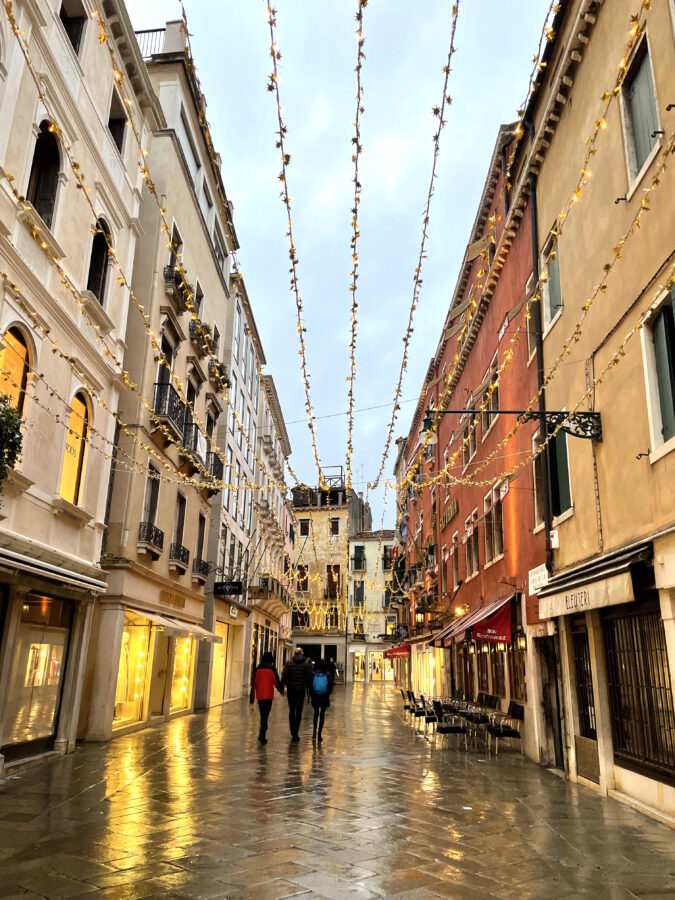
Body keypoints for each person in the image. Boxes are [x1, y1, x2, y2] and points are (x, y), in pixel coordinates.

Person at [249, 651, 283, 744]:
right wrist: (281, 691)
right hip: (268, 696)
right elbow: (276, 682)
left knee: (263, 714)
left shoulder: (257, 669)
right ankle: (262, 734)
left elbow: (254, 684)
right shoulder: (272, 669)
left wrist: (252, 699)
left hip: (260, 696)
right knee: (265, 716)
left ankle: (262, 733)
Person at [280, 646, 312, 741]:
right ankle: (296, 732)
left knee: (291, 710)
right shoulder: (306, 665)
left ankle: (292, 731)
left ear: (294, 653)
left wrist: (282, 688)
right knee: (299, 711)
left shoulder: (289, 663)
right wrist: (309, 691)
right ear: (302, 653)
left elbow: (284, 677)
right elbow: (309, 678)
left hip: (291, 690)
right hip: (300, 690)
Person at [310, 658, 333, 743]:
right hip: (324, 696)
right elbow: (330, 686)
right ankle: (319, 733)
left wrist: (312, 695)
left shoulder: (313, 674)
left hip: (316, 696)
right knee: (322, 715)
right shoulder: (328, 674)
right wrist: (327, 693)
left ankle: (313, 732)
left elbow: (310, 686)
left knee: (315, 714)